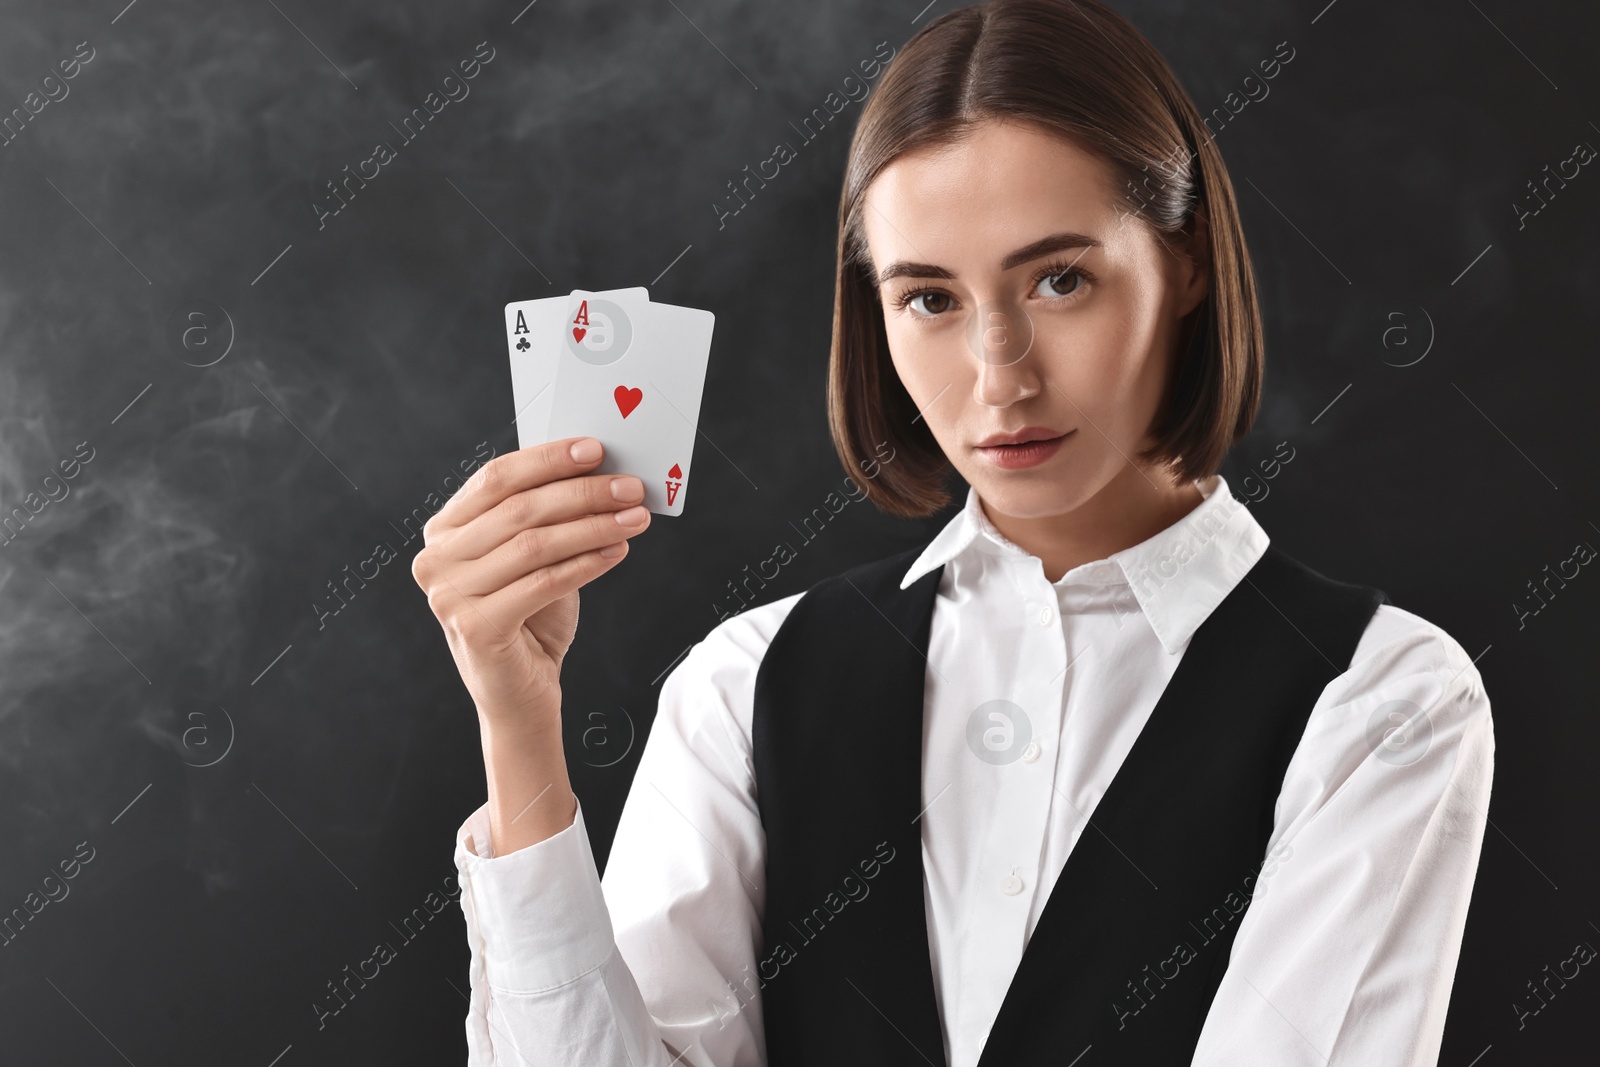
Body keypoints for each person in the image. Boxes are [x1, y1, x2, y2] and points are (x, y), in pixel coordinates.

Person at [410, 1, 1494, 1063]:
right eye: (929, 298)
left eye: (1060, 279)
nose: (998, 372)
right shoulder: (744, 684)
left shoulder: (1381, 701)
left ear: (1189, 262)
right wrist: (518, 721)